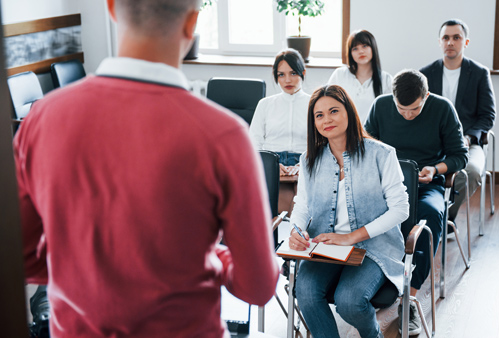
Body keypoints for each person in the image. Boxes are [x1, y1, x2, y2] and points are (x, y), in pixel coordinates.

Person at [13, 0, 279, 337]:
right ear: (192, 23)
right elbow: (257, 286)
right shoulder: (224, 135)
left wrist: (81, 263)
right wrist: (214, 256)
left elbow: (19, 254)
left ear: (111, 8)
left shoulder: (42, 117)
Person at [289, 85, 409, 338]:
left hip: (372, 247)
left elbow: (401, 209)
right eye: (319, 115)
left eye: (333, 111)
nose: (326, 120)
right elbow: (302, 204)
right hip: (324, 245)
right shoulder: (309, 159)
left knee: (349, 301)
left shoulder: (382, 154)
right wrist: (296, 230)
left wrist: (351, 237)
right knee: (306, 294)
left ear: (349, 112)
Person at [364, 69, 468, 336]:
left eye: (415, 109)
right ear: (393, 99)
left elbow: (459, 156)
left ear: (427, 96)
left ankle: (407, 300)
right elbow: (365, 146)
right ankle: (372, 283)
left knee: (430, 217)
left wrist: (435, 169)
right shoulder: (381, 106)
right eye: (402, 109)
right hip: (385, 185)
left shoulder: (443, 109)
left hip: (426, 184)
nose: (407, 114)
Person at [420, 18, 496, 225]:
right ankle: (428, 215)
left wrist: (469, 138)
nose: (450, 42)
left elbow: (488, 115)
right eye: (446, 38)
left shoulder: (479, 73)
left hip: (468, 142)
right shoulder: (425, 74)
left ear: (466, 42)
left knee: (470, 172)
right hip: (434, 142)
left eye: (456, 37)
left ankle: (445, 218)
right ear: (439, 42)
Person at [250, 48, 310, 176]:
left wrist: (303, 165)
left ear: (303, 73)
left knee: (298, 191)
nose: (287, 80)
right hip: (271, 160)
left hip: (305, 160)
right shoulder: (265, 104)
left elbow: (322, 144)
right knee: (282, 192)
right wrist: (271, 165)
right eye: (281, 75)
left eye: (293, 73)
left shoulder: (314, 104)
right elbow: (254, 142)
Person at [327, 30, 393, 122]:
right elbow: (328, 104)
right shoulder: (340, 74)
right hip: (344, 131)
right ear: (350, 53)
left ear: (373, 48)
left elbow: (389, 113)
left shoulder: (386, 79)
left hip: (373, 134)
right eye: (355, 49)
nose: (361, 51)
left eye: (365, 46)